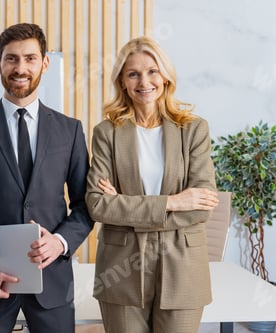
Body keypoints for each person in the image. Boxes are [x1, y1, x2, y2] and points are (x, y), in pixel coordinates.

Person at [0, 23, 93, 333]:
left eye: (30, 58)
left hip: (53, 282)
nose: (20, 68)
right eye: (11, 59)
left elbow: (84, 205)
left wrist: (61, 242)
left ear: (45, 63)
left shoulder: (70, 130)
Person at [85, 36, 219, 333]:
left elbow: (201, 208)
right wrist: (173, 202)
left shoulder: (194, 129)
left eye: (152, 71)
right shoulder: (107, 132)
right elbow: (97, 204)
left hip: (183, 267)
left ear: (166, 76)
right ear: (122, 81)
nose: (144, 81)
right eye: (133, 73)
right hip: (121, 269)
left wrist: (126, 206)